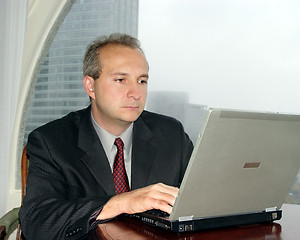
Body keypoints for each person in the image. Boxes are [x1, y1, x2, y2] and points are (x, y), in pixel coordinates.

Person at [19, 33, 193, 240]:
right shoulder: (51, 140)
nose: (135, 93)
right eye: (121, 80)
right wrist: (122, 202)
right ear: (90, 86)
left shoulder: (171, 133)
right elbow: (37, 221)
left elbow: (204, 200)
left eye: (142, 81)